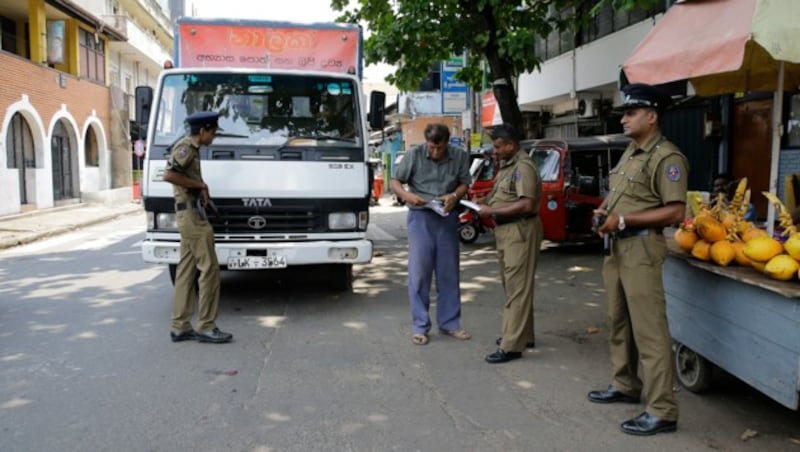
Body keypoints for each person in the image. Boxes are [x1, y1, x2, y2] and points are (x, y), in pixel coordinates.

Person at [587, 83, 688, 435]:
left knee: (649, 330)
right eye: (624, 113)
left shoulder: (667, 157)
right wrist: (604, 212)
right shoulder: (632, 152)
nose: (625, 118)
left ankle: (662, 409)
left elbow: (676, 211)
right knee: (618, 320)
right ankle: (625, 384)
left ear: (652, 116)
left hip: (642, 248)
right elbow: (621, 197)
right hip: (617, 246)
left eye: (631, 112)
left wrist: (625, 220)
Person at [390, 123, 471, 345]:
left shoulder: (459, 156)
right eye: (432, 147)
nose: (435, 152)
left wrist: (454, 195)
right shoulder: (414, 155)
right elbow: (395, 181)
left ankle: (450, 324)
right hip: (420, 217)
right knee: (419, 273)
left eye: (440, 148)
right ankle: (420, 326)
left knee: (448, 272)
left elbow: (465, 183)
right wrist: (408, 196)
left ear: (447, 142)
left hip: (446, 217)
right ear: (427, 142)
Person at [162, 111, 233, 344]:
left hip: (189, 214)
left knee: (185, 271)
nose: (214, 136)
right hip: (192, 217)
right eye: (213, 132)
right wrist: (200, 184)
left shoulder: (192, 149)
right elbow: (170, 175)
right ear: (202, 131)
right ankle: (206, 326)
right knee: (210, 269)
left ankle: (180, 326)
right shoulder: (185, 148)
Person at [476, 124, 542, 364]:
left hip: (519, 229)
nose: (494, 151)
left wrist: (490, 209)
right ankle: (523, 334)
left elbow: (526, 204)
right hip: (507, 231)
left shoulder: (522, 167)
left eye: (497, 146)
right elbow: (504, 195)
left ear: (511, 145)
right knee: (514, 285)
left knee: (517, 288)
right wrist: (483, 201)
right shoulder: (508, 167)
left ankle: (512, 344)